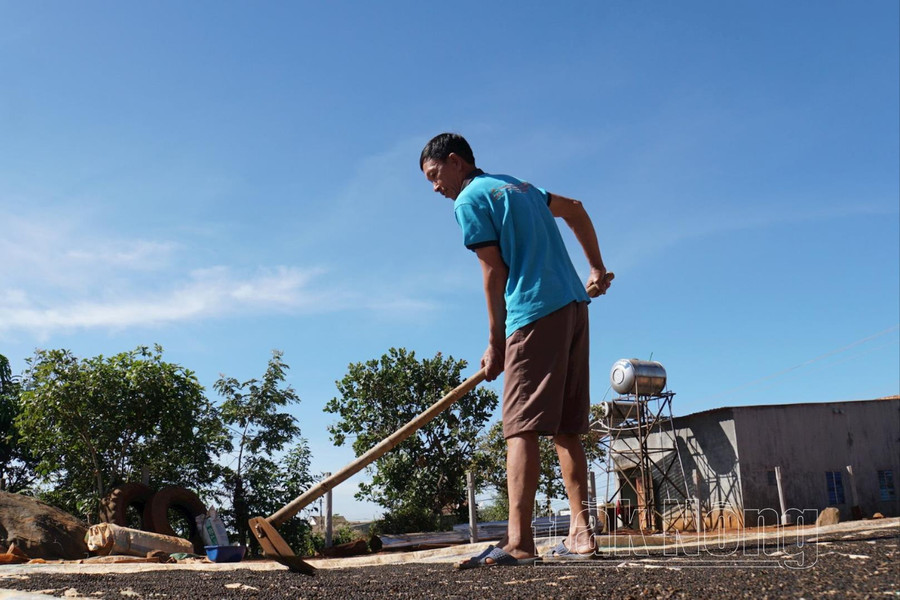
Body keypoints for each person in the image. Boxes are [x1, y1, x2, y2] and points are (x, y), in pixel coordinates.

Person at [419, 133, 612, 568]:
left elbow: (493, 272)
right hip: (573, 308)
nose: (436, 188)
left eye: (435, 176)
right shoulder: (521, 187)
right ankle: (581, 534)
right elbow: (577, 209)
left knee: (519, 425)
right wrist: (596, 267)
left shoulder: (469, 199)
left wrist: (496, 342)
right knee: (565, 426)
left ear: (455, 162)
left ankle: (519, 543)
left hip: (534, 312)